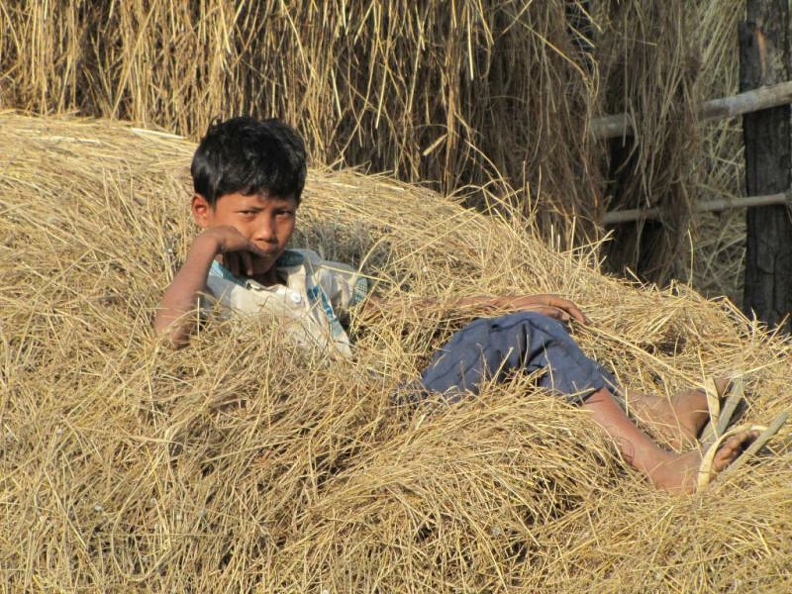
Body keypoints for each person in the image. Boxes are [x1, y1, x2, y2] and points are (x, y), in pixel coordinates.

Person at [154, 116, 759, 494]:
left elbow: (396, 311)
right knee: (522, 335)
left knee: (522, 328)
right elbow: (169, 336)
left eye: (282, 213)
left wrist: (500, 302)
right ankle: (658, 462)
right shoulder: (210, 287)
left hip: (384, 404)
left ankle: (646, 414)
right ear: (204, 211)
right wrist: (206, 247)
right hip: (351, 431)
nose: (266, 232)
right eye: (248, 215)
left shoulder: (303, 270)